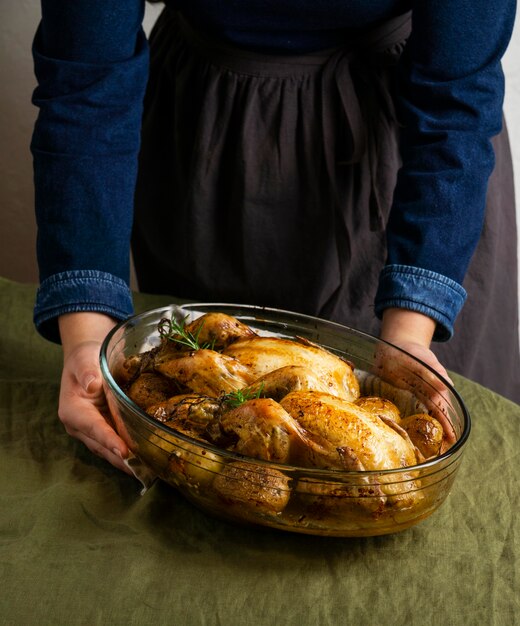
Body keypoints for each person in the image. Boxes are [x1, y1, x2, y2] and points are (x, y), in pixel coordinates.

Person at [31, 1, 519, 473]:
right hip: (208, 153)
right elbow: (86, 81)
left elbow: (457, 98)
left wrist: (411, 332)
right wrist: (87, 334)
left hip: (410, 176)